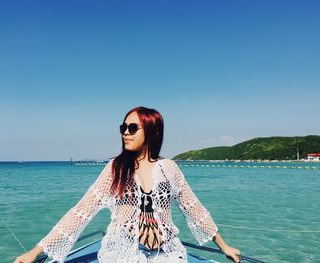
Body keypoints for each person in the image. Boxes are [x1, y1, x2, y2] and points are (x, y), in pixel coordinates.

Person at [14, 106, 241, 263]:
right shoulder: (116, 168)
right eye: (123, 127)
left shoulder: (169, 168)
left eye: (132, 128)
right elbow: (81, 212)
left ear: (152, 131)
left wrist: (224, 247)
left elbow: (194, 209)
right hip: (122, 253)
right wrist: (36, 252)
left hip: (167, 253)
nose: (125, 133)